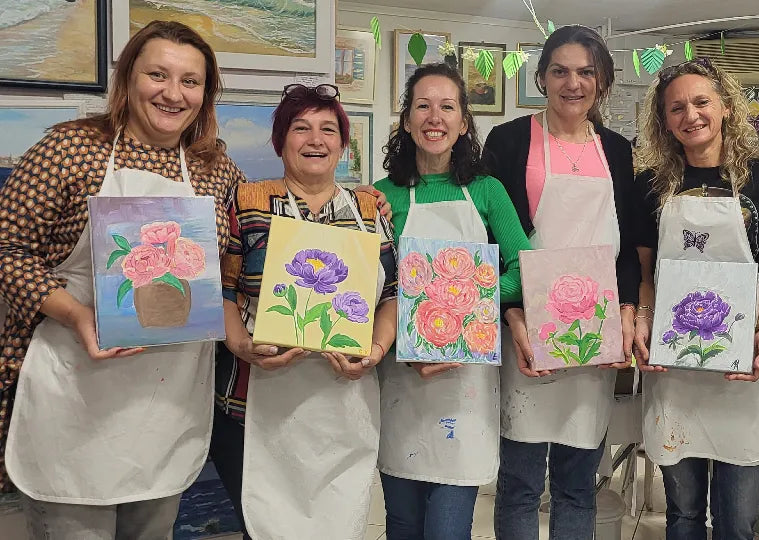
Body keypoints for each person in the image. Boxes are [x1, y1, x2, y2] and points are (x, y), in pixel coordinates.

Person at [0, 20, 243, 538]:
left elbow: (253, 240)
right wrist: (78, 314)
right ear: (129, 79)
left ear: (206, 92)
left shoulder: (214, 169)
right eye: (158, 74)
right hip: (76, 394)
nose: (173, 93)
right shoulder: (69, 150)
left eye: (191, 81)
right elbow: (7, 250)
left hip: (166, 404)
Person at [213, 82, 398, 540]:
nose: (315, 139)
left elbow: (392, 294)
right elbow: (222, 289)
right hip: (252, 398)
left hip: (345, 400)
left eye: (328, 129)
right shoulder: (247, 202)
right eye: (301, 128)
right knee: (265, 525)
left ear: (342, 144)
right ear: (281, 140)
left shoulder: (369, 207)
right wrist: (241, 345)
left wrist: (375, 349)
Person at [481, 25, 639, 539]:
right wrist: (515, 316)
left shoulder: (618, 150)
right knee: (521, 481)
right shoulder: (508, 140)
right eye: (560, 71)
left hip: (593, 329)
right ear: (541, 78)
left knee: (577, 482)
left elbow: (630, 246)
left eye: (586, 72)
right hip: (526, 324)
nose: (573, 83)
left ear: (603, 82)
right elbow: (493, 239)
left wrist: (627, 314)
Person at [632, 57, 759, 540]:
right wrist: (643, 321)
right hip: (675, 372)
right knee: (681, 515)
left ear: (724, 106)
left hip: (742, 368)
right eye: (676, 108)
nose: (691, 115)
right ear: (663, 121)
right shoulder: (649, 187)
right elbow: (646, 278)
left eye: (701, 101)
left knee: (737, 522)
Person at [373, 62, 531, 540]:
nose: (434, 117)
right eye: (423, 105)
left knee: (448, 527)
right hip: (400, 376)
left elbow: (524, 271)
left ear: (464, 123)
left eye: (447, 106)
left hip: (467, 384)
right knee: (401, 522)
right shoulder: (381, 197)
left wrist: (470, 303)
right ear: (406, 120)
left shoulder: (487, 192)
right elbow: (371, 286)